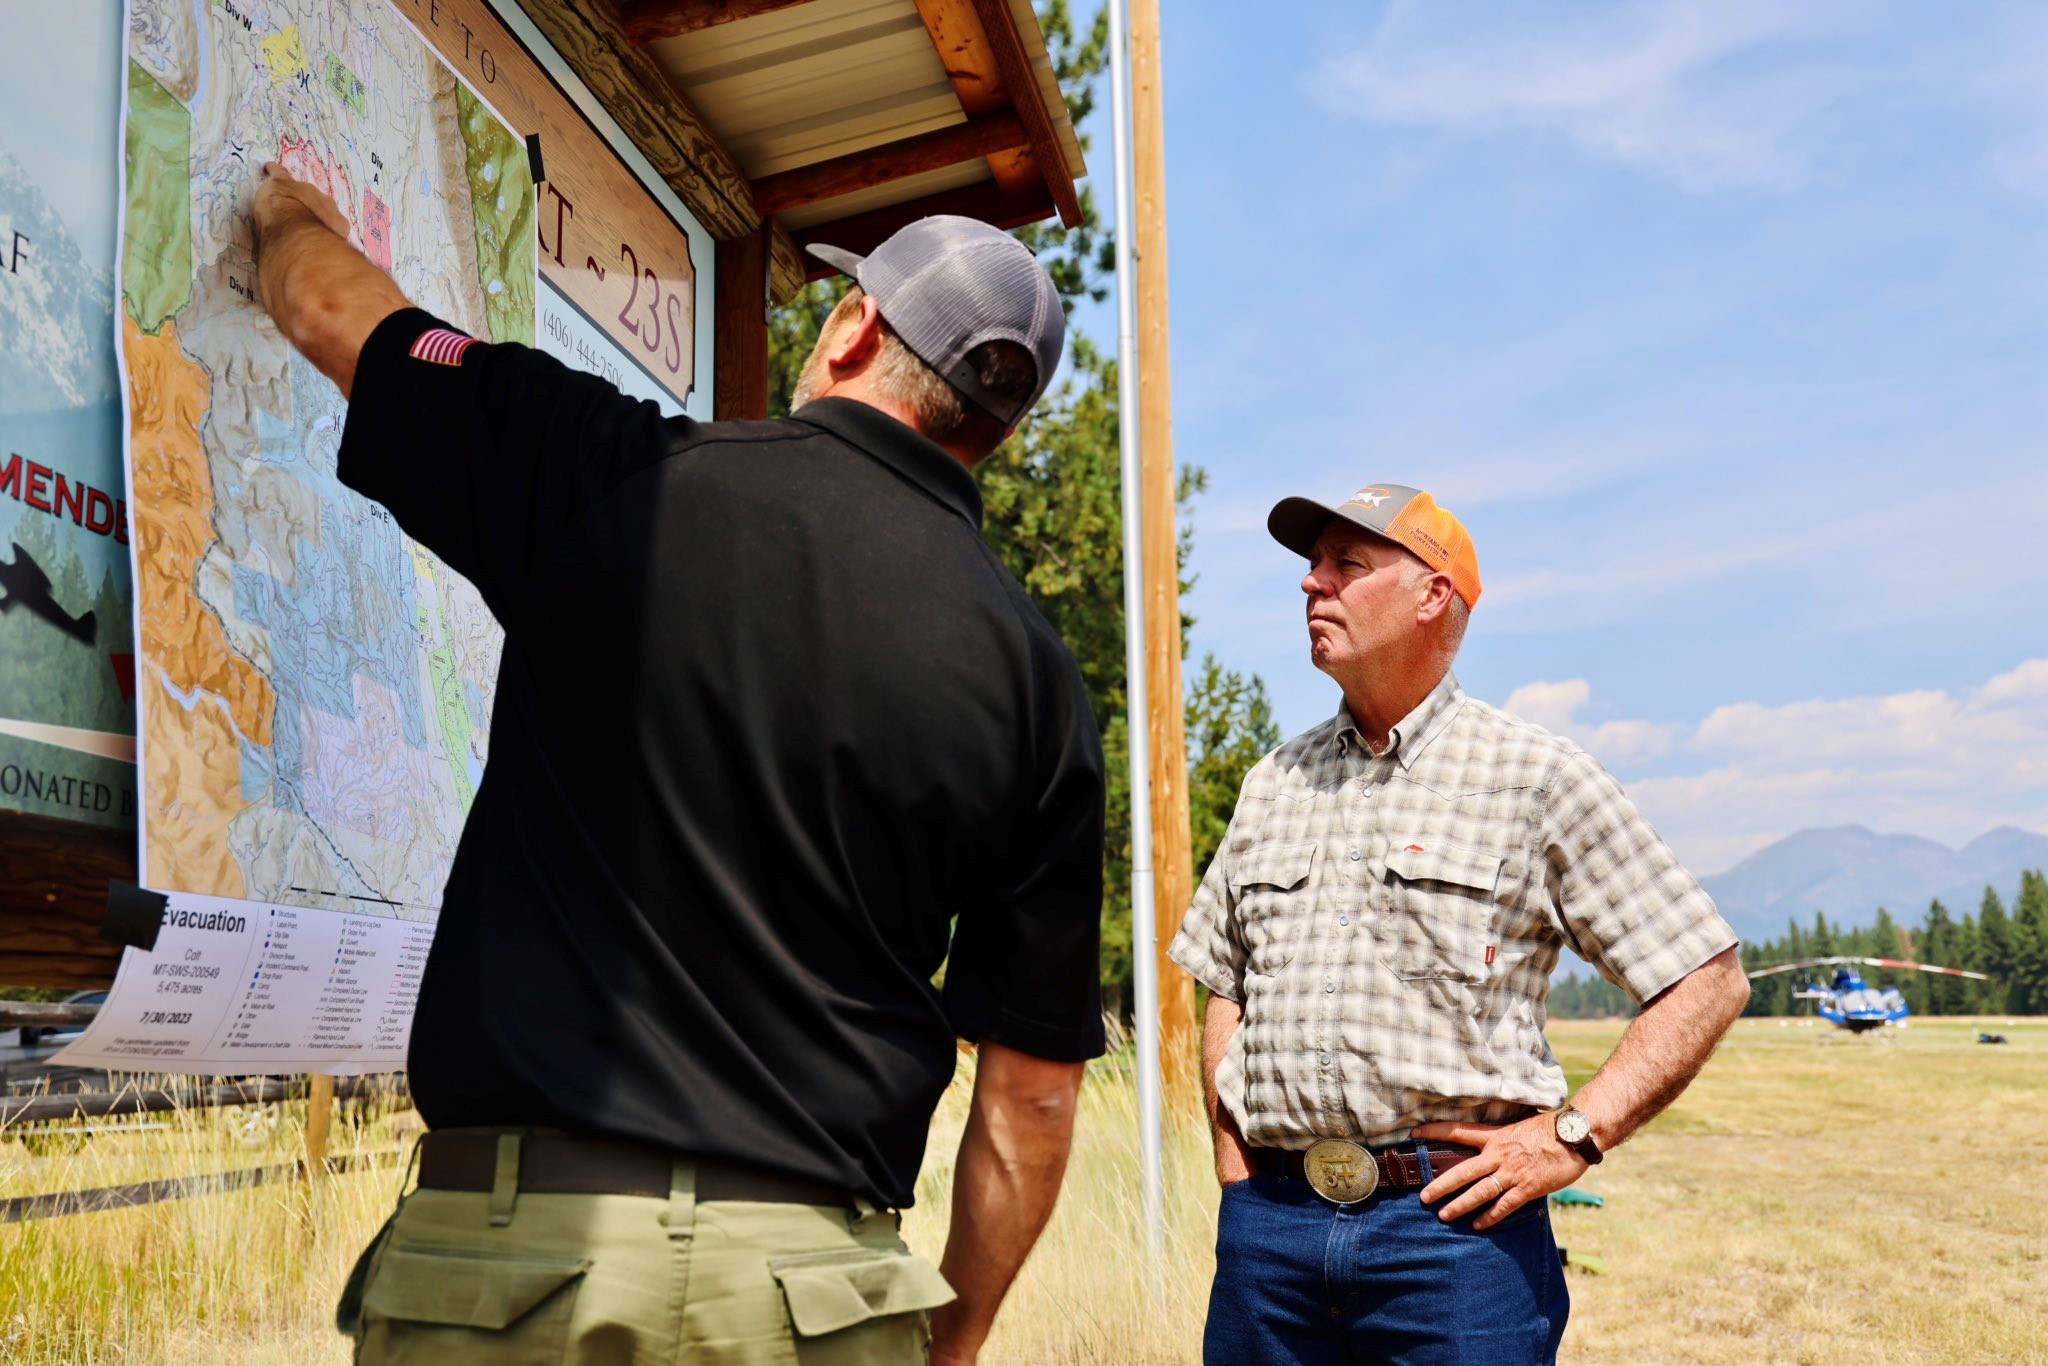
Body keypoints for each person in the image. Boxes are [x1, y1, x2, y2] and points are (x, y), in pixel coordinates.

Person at [249, 163, 1106, 1364]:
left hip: (517, 1273)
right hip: (819, 1303)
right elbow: (1032, 1100)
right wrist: (945, 1342)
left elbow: (339, 316)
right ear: (996, 426)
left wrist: (288, 214)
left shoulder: (616, 472)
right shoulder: (1038, 684)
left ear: (854, 327)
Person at [1168, 483, 1751, 1364]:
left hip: (1454, 1236)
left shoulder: (1535, 776)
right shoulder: (1272, 785)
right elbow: (1226, 980)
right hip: (1269, 1239)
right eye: (1312, 565)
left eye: (1345, 565)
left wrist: (1572, 1136)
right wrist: (1234, 1165)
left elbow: (1705, 977)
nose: (1310, 584)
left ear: (1433, 595)